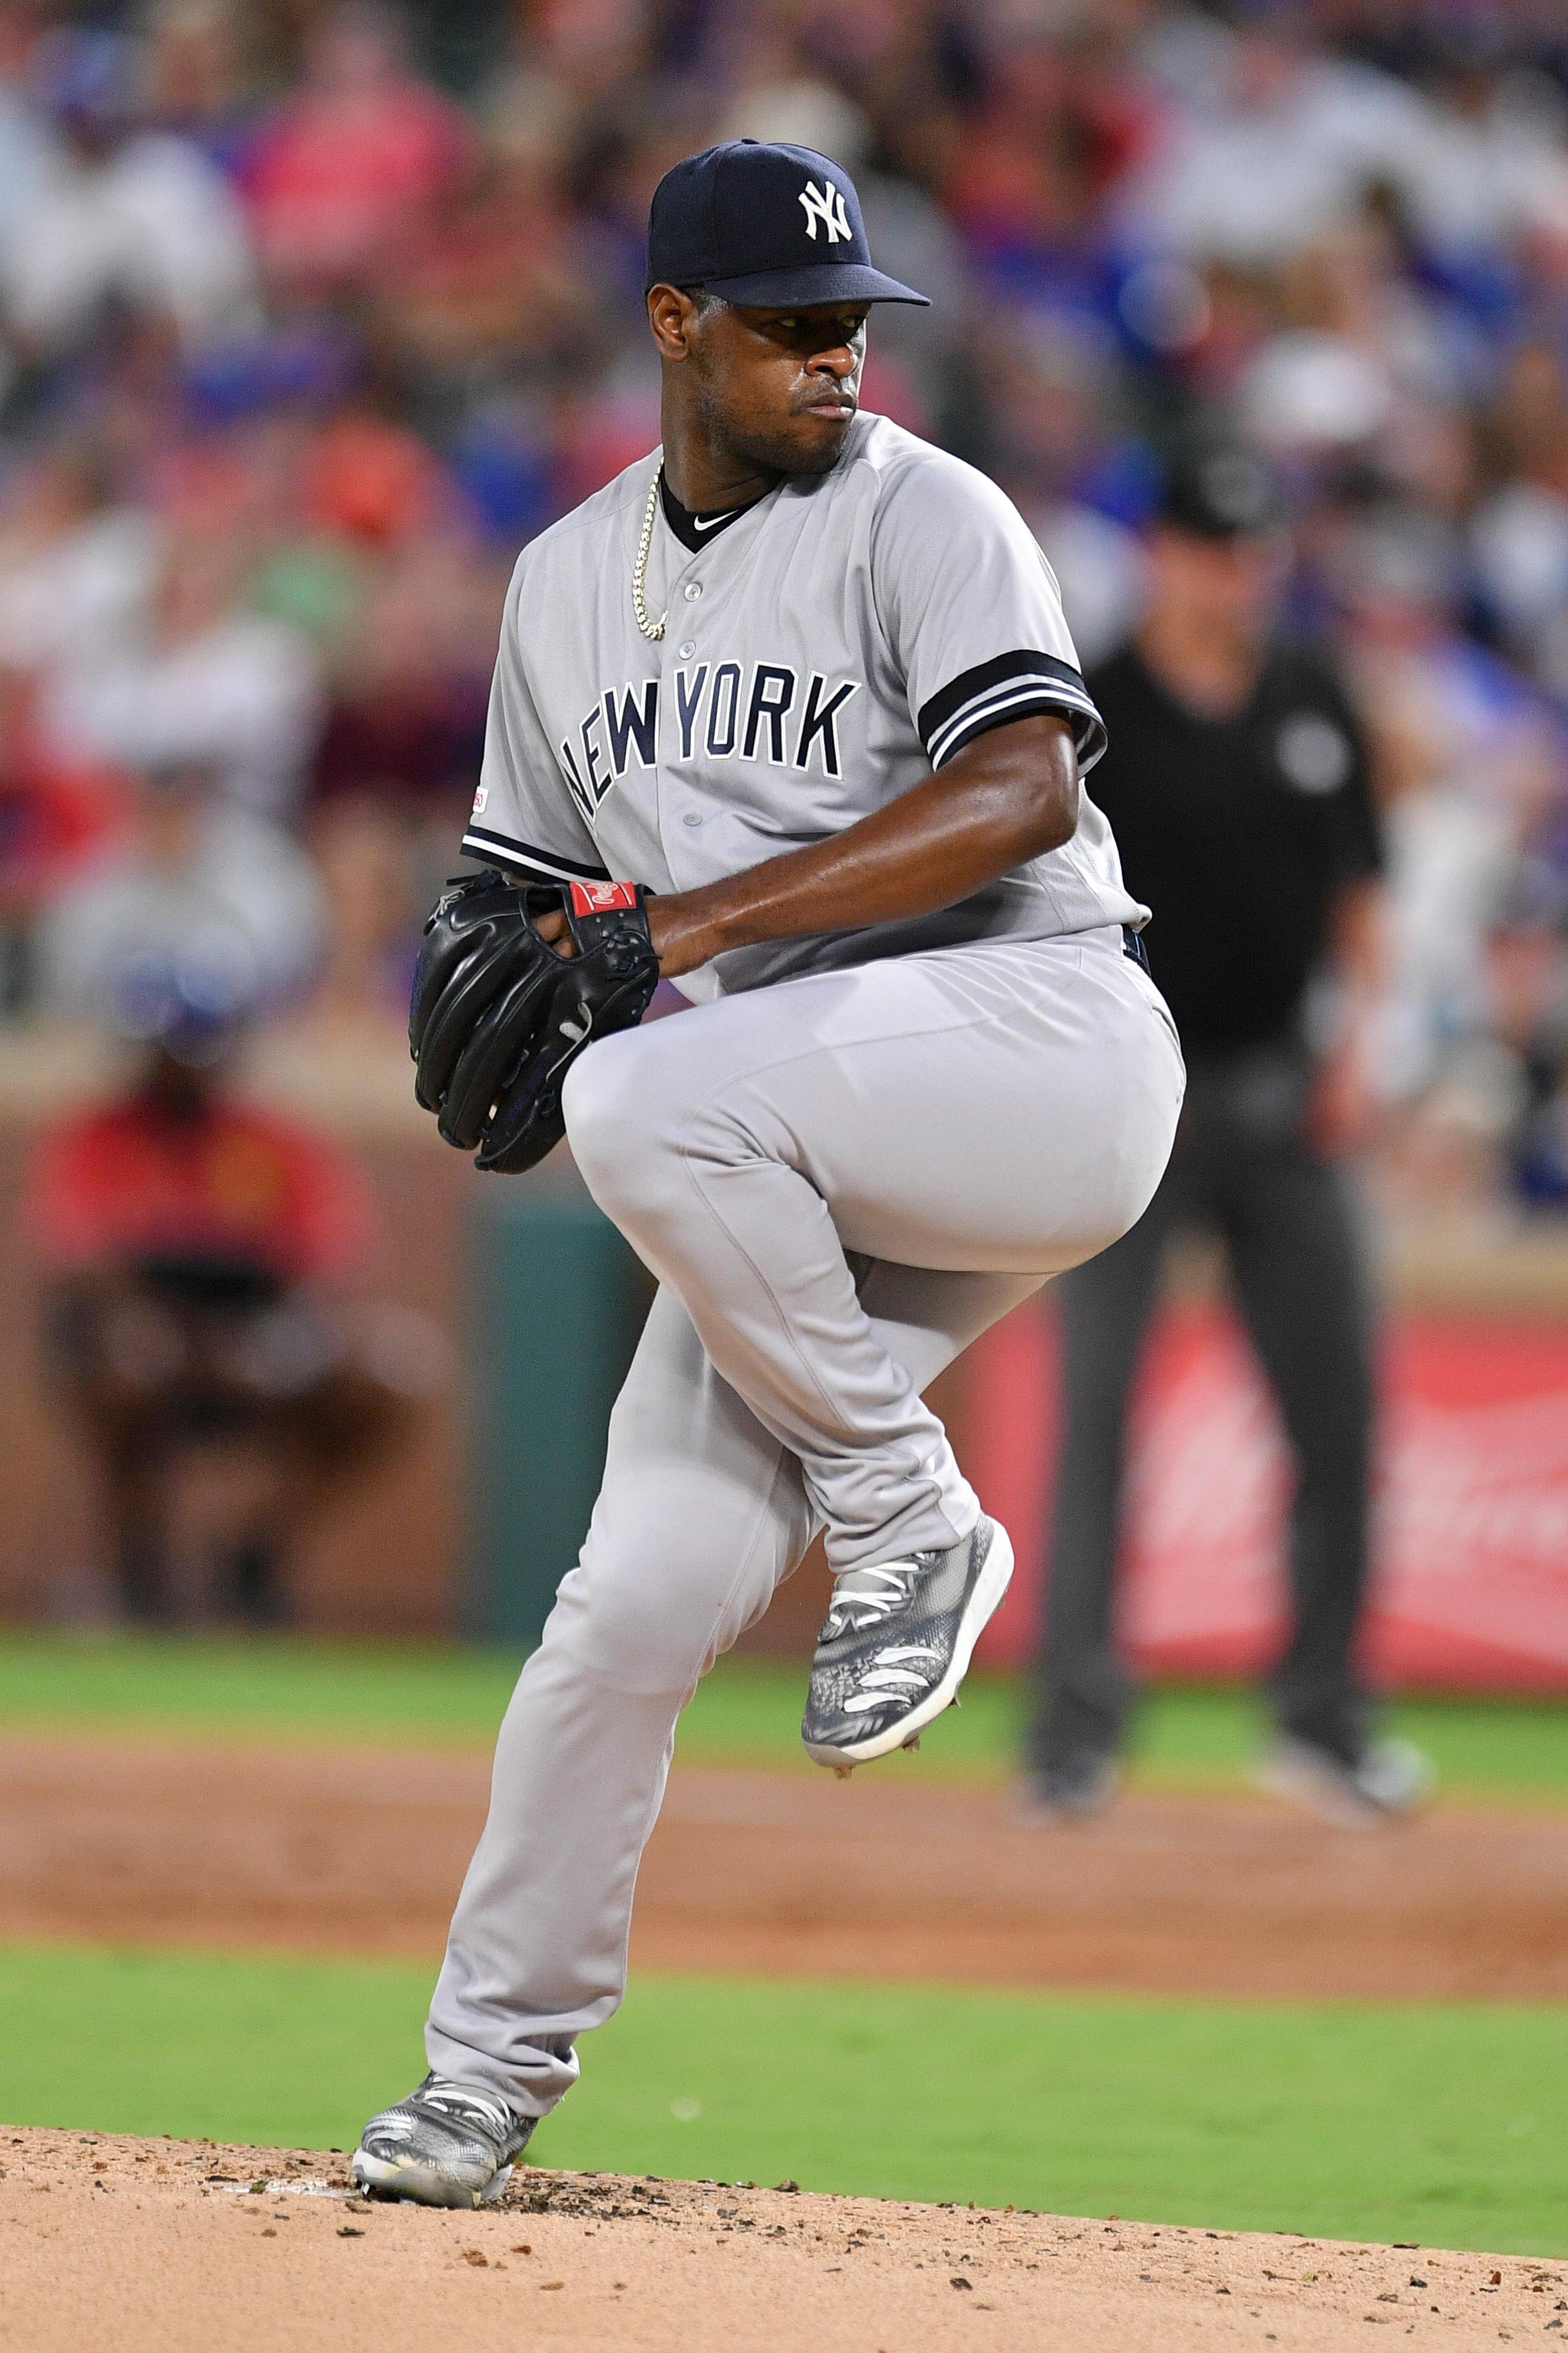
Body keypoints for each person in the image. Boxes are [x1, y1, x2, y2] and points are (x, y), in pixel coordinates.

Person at [352, 139, 1184, 2209]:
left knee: (653, 1096)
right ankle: (480, 2077)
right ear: (674, 327)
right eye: (800, 328)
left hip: (1040, 1044)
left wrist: (677, 937)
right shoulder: (561, 586)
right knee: (623, 1611)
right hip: (797, 1138)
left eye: (857, 324)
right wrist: (480, 969)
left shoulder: (931, 514)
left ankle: (907, 1512)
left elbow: (1021, 785)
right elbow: (509, 898)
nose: (842, 360)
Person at [1023, 434, 1432, 1827]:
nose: (1237, 576)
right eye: (1213, 548)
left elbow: (1359, 895)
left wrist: (1362, 1044)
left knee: (1338, 1405)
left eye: (1256, 552)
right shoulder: (1099, 704)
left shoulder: (1310, 691)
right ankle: (1072, 1730)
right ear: (1162, 553)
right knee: (1096, 1418)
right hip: (1125, 1100)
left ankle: (1321, 1716)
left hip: (1277, 1086)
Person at [25, 968, 420, 1625]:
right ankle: (137, 1571)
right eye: (163, 1055)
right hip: (139, 1340)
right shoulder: (99, 1135)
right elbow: (76, 1257)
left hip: (255, 1335)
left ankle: (255, 1548)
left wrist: (267, 1338)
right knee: (129, 1358)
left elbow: (329, 1256)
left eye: (192, 1054)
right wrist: (154, 1325)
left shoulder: (271, 1139)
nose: (177, 1071)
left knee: (395, 1374)